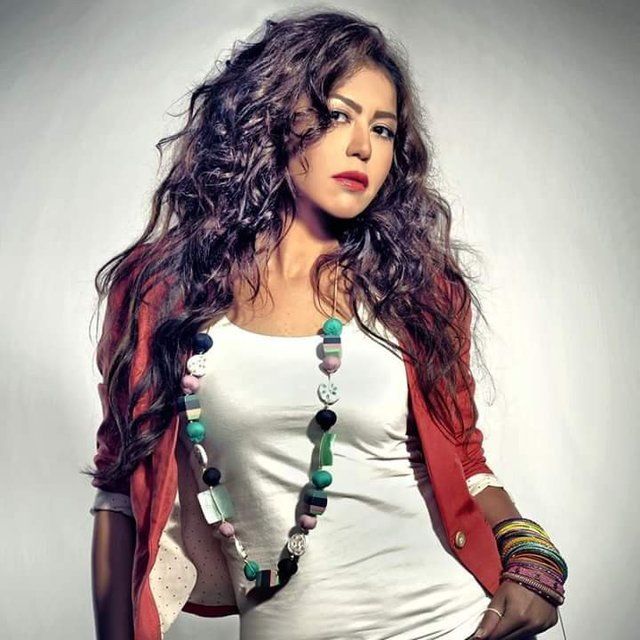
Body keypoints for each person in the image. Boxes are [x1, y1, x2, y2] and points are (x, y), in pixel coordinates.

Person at [85, 9, 567, 640]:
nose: (364, 146)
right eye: (339, 116)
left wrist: (532, 558)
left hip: (453, 622)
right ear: (273, 115)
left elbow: (467, 461)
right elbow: (120, 492)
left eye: (384, 129)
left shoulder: (415, 290)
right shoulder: (161, 292)